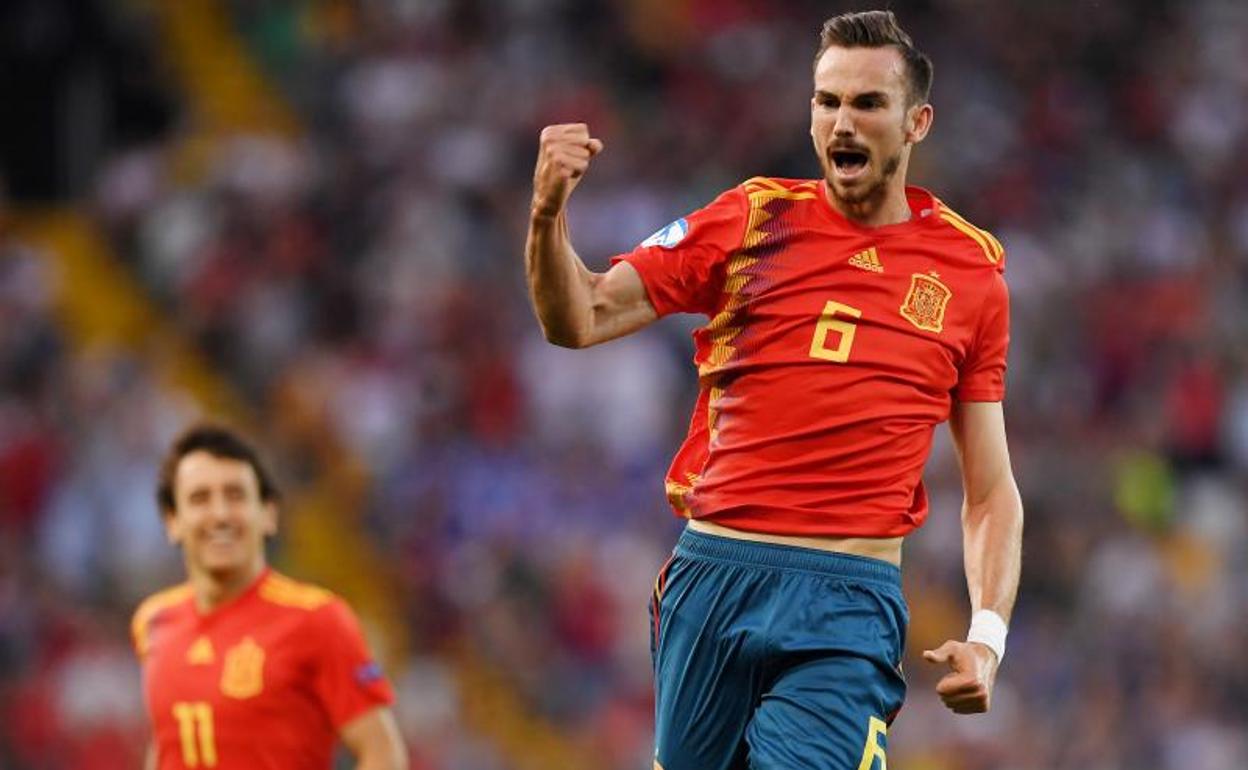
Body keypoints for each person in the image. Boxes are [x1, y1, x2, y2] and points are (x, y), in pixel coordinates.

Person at [525, 9, 1023, 770]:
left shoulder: (970, 274)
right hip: (713, 577)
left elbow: (989, 489)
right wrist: (546, 217)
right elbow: (580, 316)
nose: (841, 123)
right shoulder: (753, 220)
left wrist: (987, 635)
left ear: (917, 121)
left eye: (867, 103)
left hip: (847, 602)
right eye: (827, 102)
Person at [131, 423, 408, 770]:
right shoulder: (153, 620)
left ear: (268, 515)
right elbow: (168, 741)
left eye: (235, 496)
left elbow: (383, 753)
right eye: (200, 499)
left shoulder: (317, 619)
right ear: (172, 521)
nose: (219, 515)